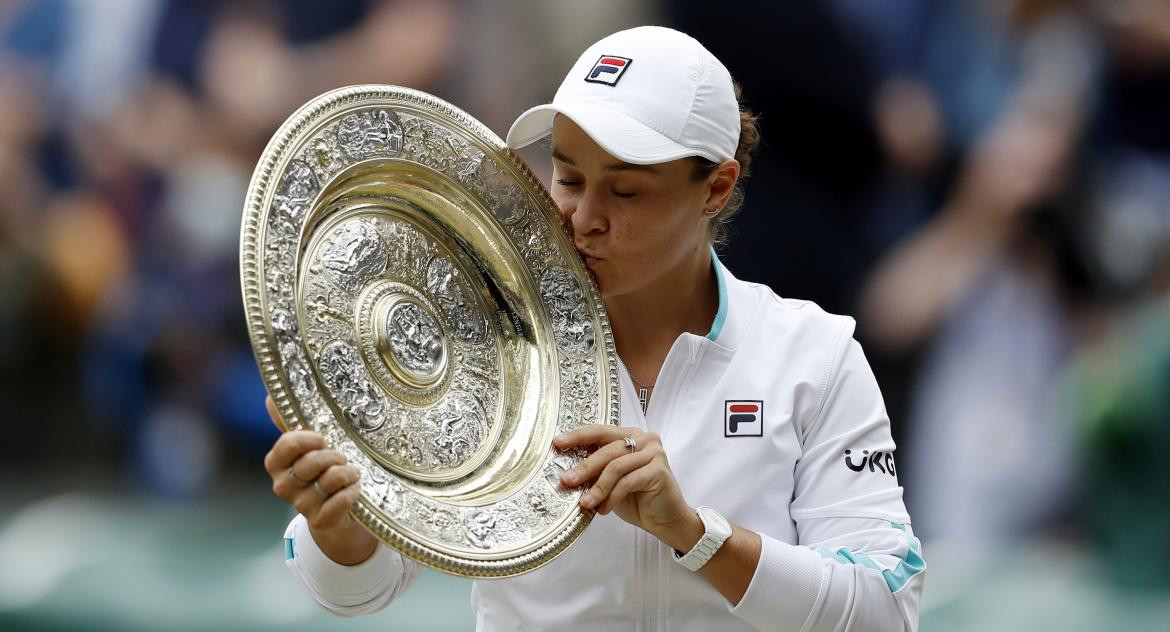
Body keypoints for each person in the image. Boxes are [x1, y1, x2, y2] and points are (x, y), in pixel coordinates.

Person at [263, 26, 924, 631]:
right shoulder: (480, 346)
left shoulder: (814, 353)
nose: (582, 217)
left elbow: (886, 611)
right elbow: (352, 592)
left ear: (716, 189)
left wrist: (695, 534)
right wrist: (340, 526)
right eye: (569, 177)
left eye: (625, 191)